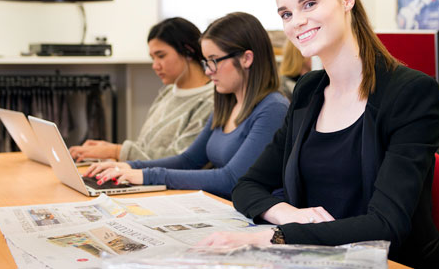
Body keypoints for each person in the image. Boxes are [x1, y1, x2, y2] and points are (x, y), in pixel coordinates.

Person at [198, 0, 439, 269]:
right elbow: (247, 186)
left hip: (391, 262)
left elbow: (387, 225)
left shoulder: (411, 93)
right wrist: (286, 214)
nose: (297, 21)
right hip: (317, 258)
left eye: (310, 4)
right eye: (286, 13)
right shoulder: (308, 91)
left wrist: (275, 236)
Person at [84, 12, 289, 199]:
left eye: (214, 60)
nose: (208, 71)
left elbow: (232, 179)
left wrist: (145, 175)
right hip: (222, 207)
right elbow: (189, 160)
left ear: (246, 58)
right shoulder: (226, 102)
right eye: (206, 61)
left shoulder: (273, 109)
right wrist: (126, 166)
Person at [69, 17, 214, 162]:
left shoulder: (210, 101)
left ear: (188, 51)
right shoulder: (168, 92)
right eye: (153, 58)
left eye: (161, 56)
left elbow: (182, 158)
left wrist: (116, 151)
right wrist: (109, 152)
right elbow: (145, 148)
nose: (155, 65)